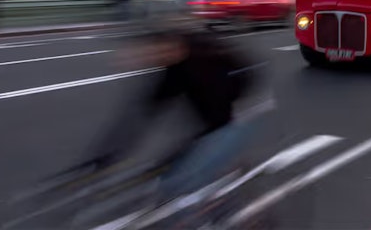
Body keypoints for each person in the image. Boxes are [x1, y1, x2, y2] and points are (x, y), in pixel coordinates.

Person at [85, 13, 262, 204]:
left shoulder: (205, 63)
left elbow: (214, 123)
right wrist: (107, 156)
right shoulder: (174, 71)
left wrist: (172, 159)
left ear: (176, 45)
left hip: (237, 111)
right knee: (176, 172)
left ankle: (223, 203)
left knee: (184, 180)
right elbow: (142, 115)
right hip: (212, 114)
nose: (155, 59)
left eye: (160, 52)